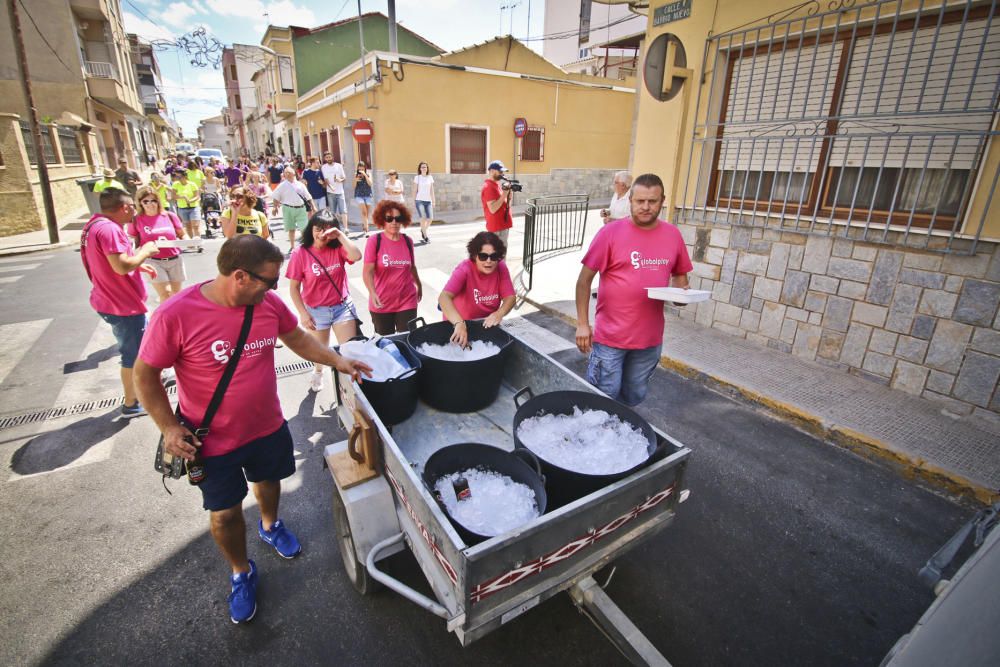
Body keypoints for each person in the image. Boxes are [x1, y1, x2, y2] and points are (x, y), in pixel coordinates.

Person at [133, 235, 372, 625]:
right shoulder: (175, 314)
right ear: (240, 276)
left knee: (270, 481)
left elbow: (296, 339)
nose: (275, 289)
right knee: (224, 516)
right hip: (211, 441)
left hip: (266, 427)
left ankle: (270, 524)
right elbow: (145, 376)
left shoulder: (267, 305)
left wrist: (338, 361)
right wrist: (170, 427)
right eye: (269, 280)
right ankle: (241, 572)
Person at [574, 173, 693, 407]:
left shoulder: (672, 235)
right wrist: (582, 323)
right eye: (640, 201)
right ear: (630, 200)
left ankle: (619, 440)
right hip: (610, 339)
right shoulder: (610, 233)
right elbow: (583, 281)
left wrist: (683, 295)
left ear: (663, 201)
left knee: (634, 397)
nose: (646, 207)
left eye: (653, 201)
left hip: (649, 341)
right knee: (603, 399)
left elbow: (680, 280)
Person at [80, 188, 159, 418]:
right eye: (133, 207)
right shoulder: (110, 230)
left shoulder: (94, 225)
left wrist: (137, 265)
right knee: (133, 356)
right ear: (125, 207)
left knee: (133, 352)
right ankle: (132, 403)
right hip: (122, 305)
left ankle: (136, 395)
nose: (135, 211)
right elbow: (121, 266)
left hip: (110, 299)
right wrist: (145, 252)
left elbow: (112, 262)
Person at [286, 209, 363, 392]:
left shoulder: (337, 248)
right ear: (311, 229)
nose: (322, 234)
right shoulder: (300, 253)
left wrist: (340, 235)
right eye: (318, 229)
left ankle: (351, 391)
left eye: (327, 230)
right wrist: (303, 314)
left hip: (342, 307)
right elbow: (294, 288)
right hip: (316, 310)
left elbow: (356, 256)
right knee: (321, 352)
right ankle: (318, 371)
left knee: (348, 351)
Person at [439, 231, 515, 348]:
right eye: (483, 256)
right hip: (459, 327)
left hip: (485, 326)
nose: (488, 261)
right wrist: (459, 323)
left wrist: (499, 313)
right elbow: (444, 297)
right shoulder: (465, 269)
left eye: (493, 256)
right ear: (475, 256)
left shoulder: (501, 267)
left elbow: (510, 297)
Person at [363, 201, 422, 335]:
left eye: (398, 218)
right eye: (389, 219)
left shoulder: (408, 241)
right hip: (382, 302)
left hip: (407, 299)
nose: (394, 222)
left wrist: (419, 285)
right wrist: (372, 293)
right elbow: (368, 272)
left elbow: (412, 267)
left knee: (409, 339)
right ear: (382, 221)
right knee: (386, 343)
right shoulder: (374, 241)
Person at [128, 185, 187, 303]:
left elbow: (182, 234)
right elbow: (132, 239)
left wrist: (189, 241)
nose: (150, 204)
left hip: (174, 259)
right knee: (166, 294)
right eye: (146, 201)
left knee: (176, 296)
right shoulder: (136, 219)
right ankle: (164, 320)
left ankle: (175, 318)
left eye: (153, 200)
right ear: (140, 203)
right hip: (153, 261)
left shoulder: (169, 216)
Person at [270, 167, 313, 254]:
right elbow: (275, 196)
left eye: (289, 172)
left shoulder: (301, 185)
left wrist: (313, 207)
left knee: (304, 228)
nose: (287, 174)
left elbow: (308, 196)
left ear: (294, 173)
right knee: (291, 228)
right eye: (286, 173)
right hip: (288, 208)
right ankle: (292, 246)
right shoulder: (282, 185)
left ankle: (307, 245)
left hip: (301, 208)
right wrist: (275, 207)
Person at [481, 160, 513, 246]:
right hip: (497, 228)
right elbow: (493, 209)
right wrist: (504, 194)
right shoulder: (488, 187)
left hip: (502, 226)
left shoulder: (496, 185)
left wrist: (509, 194)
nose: (502, 174)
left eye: (503, 172)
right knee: (497, 255)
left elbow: (505, 204)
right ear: (491, 171)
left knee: (501, 255)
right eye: (500, 171)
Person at [171, 169, 203, 239]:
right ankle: (191, 242)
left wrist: (190, 201)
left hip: (193, 207)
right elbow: (173, 196)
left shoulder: (192, 184)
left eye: (179, 177)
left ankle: (198, 241)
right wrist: (183, 197)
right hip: (182, 208)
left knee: (195, 225)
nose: (178, 179)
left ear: (184, 176)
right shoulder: (175, 185)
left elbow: (197, 196)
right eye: (176, 177)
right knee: (188, 226)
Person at [320, 152, 347, 229]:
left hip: (340, 192)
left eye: (329, 157)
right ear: (325, 159)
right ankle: (335, 228)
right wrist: (331, 187)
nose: (328, 159)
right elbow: (326, 179)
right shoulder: (324, 167)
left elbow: (344, 178)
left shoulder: (339, 166)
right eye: (327, 157)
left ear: (332, 157)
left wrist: (340, 180)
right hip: (330, 192)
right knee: (332, 212)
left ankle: (346, 228)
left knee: (343, 210)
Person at [412, 161, 435, 244]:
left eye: (425, 167)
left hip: (428, 201)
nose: (424, 168)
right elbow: (414, 190)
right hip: (419, 200)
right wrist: (414, 201)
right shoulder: (417, 177)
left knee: (430, 218)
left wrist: (433, 201)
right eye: (422, 167)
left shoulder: (430, 177)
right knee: (423, 218)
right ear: (420, 169)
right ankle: (425, 236)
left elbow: (432, 190)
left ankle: (423, 229)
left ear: (427, 168)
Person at [353, 161, 374, 237]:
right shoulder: (356, 175)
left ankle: (364, 224)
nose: (361, 168)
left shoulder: (368, 174)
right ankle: (366, 229)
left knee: (366, 213)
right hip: (359, 195)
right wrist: (355, 180)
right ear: (358, 168)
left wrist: (365, 175)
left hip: (368, 195)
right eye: (360, 167)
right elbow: (354, 186)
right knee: (364, 212)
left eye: (362, 167)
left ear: (365, 168)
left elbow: (370, 184)